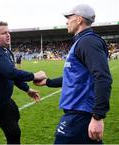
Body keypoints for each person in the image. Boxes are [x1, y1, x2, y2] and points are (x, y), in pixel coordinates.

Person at [34, 4, 112, 144]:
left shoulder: (88, 42)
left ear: (79, 19)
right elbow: (75, 77)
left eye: (69, 17)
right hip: (78, 113)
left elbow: (103, 77)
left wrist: (98, 117)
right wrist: (48, 82)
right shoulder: (82, 41)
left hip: (80, 114)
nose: (66, 21)